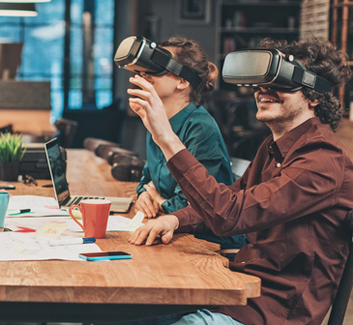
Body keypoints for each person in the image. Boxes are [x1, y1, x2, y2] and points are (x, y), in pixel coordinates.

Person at [127, 37, 353, 324]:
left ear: (315, 96)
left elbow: (228, 215)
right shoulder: (274, 147)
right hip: (236, 288)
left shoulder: (322, 161)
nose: (263, 91)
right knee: (123, 311)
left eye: (282, 82)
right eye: (260, 83)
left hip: (270, 312)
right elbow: (233, 197)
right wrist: (174, 220)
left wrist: (167, 138)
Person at [131, 37, 245, 259]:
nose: (145, 74)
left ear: (182, 81)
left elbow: (193, 204)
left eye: (156, 68)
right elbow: (148, 179)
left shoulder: (200, 127)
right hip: (171, 230)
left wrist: (161, 200)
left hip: (208, 243)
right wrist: (143, 195)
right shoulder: (156, 120)